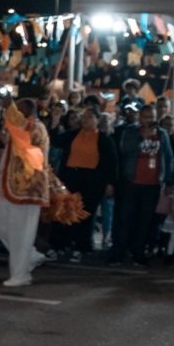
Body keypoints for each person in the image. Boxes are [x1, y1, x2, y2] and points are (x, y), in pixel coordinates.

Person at [109, 104, 174, 266]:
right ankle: (118, 252)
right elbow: (124, 149)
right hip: (131, 182)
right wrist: (142, 137)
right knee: (125, 218)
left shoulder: (162, 134)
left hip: (152, 184)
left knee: (144, 220)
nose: (149, 120)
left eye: (152, 117)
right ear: (140, 117)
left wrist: (168, 180)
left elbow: (168, 156)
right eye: (146, 117)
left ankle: (138, 251)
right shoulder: (130, 131)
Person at [0, 98, 51, 287]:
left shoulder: (35, 128)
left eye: (18, 110)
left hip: (28, 189)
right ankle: (31, 256)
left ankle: (21, 275)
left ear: (27, 112)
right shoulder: (19, 129)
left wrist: (8, 109)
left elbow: (25, 143)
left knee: (21, 233)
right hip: (11, 188)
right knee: (1, 225)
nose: (14, 113)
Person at [53, 106, 118, 261]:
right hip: (70, 177)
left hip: (91, 180)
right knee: (65, 211)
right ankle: (61, 245)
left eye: (90, 117)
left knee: (85, 214)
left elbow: (112, 162)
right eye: (84, 117)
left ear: (97, 120)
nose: (86, 120)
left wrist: (110, 183)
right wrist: (55, 120)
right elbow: (56, 140)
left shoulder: (103, 138)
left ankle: (81, 246)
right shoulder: (73, 135)